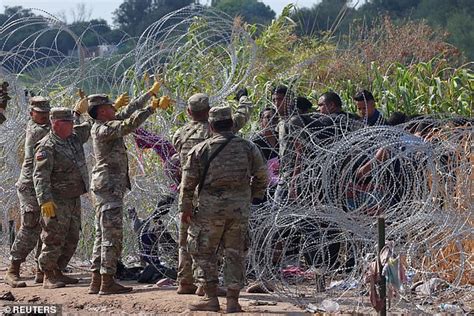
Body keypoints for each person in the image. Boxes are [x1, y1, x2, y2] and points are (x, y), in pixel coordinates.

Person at [179, 106, 268, 312]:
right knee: (235, 253)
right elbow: (262, 176)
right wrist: (252, 196)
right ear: (231, 123)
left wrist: (186, 209)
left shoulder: (201, 150)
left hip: (210, 210)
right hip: (239, 210)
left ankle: (210, 297)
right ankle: (233, 301)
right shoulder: (248, 147)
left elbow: (188, 185)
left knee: (204, 252)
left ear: (211, 126)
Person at [87, 82, 171, 295]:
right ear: (103, 111)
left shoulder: (106, 123)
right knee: (111, 235)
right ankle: (107, 281)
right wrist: (152, 108)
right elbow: (128, 124)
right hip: (109, 188)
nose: (115, 108)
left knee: (102, 234)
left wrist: (148, 94)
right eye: (110, 106)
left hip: (107, 187)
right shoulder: (104, 128)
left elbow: (127, 112)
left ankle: (96, 280)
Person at [172, 91, 252, 295]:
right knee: (208, 242)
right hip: (209, 193)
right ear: (208, 111)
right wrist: (243, 99)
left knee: (187, 238)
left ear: (189, 112)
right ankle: (204, 285)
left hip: (187, 190)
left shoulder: (180, 134)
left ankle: (184, 280)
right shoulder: (214, 131)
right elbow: (242, 116)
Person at [33, 107, 91, 289]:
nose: (73, 125)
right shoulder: (46, 146)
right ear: (56, 124)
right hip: (56, 200)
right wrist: (45, 200)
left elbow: (90, 126)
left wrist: (84, 112)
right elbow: (40, 175)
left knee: (72, 236)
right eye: (69, 122)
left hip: (73, 196)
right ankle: (47, 274)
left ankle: (58, 270)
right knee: (53, 237)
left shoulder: (73, 138)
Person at [4, 96, 51, 288]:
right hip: (30, 185)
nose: (44, 116)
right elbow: (57, 134)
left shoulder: (47, 126)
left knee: (48, 225)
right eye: (40, 114)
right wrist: (74, 115)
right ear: (31, 114)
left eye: (47, 113)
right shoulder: (36, 130)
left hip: (44, 184)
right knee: (31, 226)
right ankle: (13, 269)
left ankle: (42, 270)